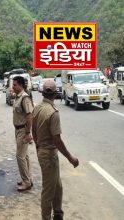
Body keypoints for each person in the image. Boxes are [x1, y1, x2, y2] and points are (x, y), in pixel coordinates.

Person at [32, 80, 79, 220]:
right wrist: (70, 158)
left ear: (42, 93)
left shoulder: (38, 108)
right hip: (49, 156)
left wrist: (38, 146)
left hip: (44, 152)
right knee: (48, 191)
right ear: (55, 93)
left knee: (57, 186)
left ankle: (58, 214)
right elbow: (57, 139)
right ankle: (46, 217)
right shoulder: (53, 113)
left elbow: (33, 131)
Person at [12, 76, 34, 192]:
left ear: (20, 85)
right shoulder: (17, 97)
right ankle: (28, 178)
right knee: (24, 156)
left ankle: (27, 182)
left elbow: (29, 115)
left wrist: (27, 133)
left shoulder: (24, 98)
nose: (13, 86)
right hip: (18, 130)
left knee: (20, 156)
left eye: (15, 84)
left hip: (23, 130)